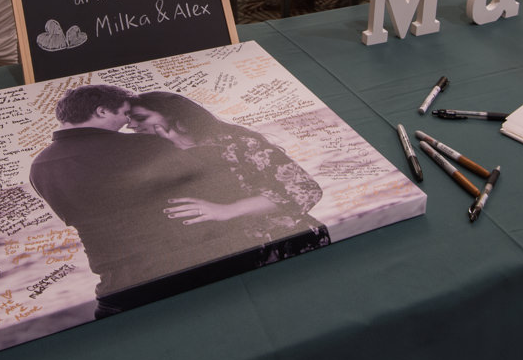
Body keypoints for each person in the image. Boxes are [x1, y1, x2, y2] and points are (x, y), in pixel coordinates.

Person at [28, 84, 255, 317]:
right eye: (125, 113)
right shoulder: (140, 146)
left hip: (115, 289)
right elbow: (220, 179)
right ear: (102, 111)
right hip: (185, 274)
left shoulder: (38, 167)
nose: (128, 123)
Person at [127, 91, 328, 259]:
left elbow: (306, 190)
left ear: (174, 116)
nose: (131, 126)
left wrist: (227, 210)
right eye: (129, 121)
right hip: (236, 253)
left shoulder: (237, 143)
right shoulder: (165, 154)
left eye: (141, 118)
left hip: (289, 244)